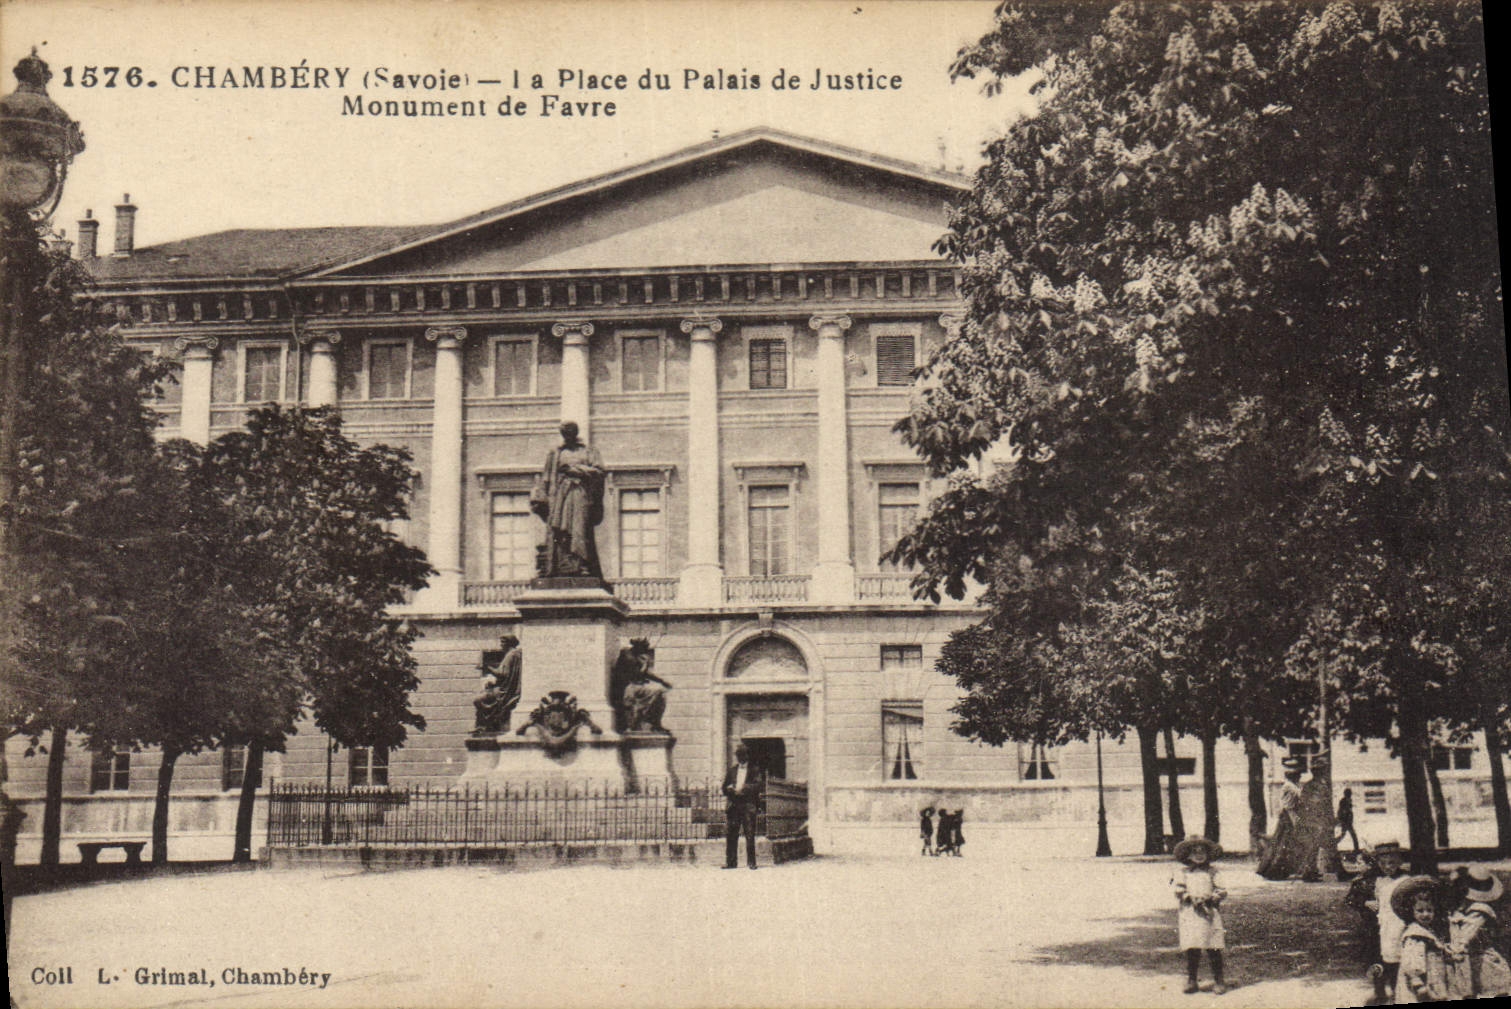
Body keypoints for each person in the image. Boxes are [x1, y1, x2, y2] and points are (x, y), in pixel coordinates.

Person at [530, 421, 605, 579]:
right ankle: (565, 564)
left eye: (569, 433)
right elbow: (546, 478)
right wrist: (541, 499)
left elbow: (599, 472)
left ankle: (582, 563)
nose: (567, 436)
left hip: (580, 494)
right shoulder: (555, 453)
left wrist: (576, 471)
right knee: (560, 530)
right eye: (564, 434)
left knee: (580, 528)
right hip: (560, 496)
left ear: (575, 434)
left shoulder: (588, 451)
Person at [1171, 835, 1227, 995]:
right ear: (1188, 855)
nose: (1199, 854)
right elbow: (1178, 889)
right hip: (1190, 913)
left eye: (1202, 851)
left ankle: (1219, 980)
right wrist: (1190, 897)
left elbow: (1222, 890)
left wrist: (1211, 898)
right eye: (1194, 851)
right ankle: (1192, 980)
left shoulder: (1213, 872)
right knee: (1192, 946)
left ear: (1208, 854)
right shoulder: (1184, 873)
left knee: (1213, 946)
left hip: (1209, 913)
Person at [1445, 866, 1511, 1000]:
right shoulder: (1462, 909)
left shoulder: (1480, 910)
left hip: (1484, 962)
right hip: (1469, 961)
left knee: (1490, 991)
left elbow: (1467, 934)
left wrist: (1454, 948)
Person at [1392, 875, 1449, 1003]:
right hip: (1420, 983)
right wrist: (1417, 982)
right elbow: (1411, 961)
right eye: (1420, 910)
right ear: (1412, 911)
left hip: (1433, 978)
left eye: (1429, 910)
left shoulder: (1429, 931)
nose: (1425, 914)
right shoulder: (1415, 935)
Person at [1366, 841, 1410, 1003]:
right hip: (1381, 925)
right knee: (1379, 958)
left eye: (1392, 863)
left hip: (1399, 923)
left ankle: (1398, 990)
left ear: (1399, 862)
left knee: (1398, 957)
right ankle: (1380, 992)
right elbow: (1355, 898)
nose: (1387, 867)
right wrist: (1367, 902)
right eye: (1383, 863)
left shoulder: (1405, 879)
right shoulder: (1375, 880)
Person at [610, 638, 672, 733]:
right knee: (629, 699)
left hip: (638, 685)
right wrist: (643, 664)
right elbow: (637, 671)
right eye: (644, 648)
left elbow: (646, 673)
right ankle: (629, 726)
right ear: (637, 647)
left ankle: (655, 723)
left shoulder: (640, 657)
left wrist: (662, 681)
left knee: (661, 693)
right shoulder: (626, 653)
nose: (645, 650)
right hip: (626, 686)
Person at [722, 743, 764, 869]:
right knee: (731, 835)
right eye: (738, 755)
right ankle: (731, 862)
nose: (740, 757)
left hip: (748, 805)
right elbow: (724, 787)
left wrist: (743, 789)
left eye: (743, 754)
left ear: (747, 756)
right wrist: (729, 789)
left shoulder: (754, 770)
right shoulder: (732, 770)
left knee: (750, 834)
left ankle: (751, 863)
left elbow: (758, 785)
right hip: (734, 806)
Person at [472, 635, 523, 733]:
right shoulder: (517, 654)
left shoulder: (510, 655)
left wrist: (487, 668)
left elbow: (503, 674)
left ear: (509, 643)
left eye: (503, 642)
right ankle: (488, 725)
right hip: (507, 689)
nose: (501, 645)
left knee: (478, 700)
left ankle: (486, 726)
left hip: (504, 692)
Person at [1337, 787, 1361, 853]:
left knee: (1345, 835)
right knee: (1349, 835)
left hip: (1348, 821)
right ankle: (1356, 849)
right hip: (1346, 821)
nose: (1350, 795)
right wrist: (1343, 820)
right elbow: (1342, 811)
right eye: (1349, 793)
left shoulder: (1348, 800)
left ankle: (1356, 849)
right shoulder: (1343, 801)